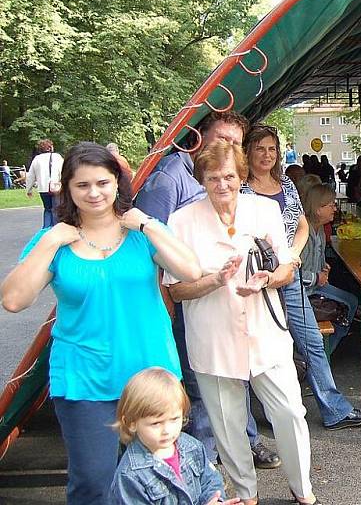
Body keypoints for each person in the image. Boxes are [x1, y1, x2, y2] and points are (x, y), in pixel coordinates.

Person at [1, 142, 202, 504]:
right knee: (95, 482)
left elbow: (190, 270)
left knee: (157, 478)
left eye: (102, 183)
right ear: (68, 189)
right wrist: (49, 240)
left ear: (116, 183)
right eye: (82, 185)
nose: (94, 193)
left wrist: (149, 225)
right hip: (84, 381)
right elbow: (14, 300)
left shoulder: (141, 233)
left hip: (149, 377)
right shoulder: (55, 242)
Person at [163, 141, 316, 505]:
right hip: (213, 337)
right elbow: (177, 289)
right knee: (228, 426)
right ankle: (247, 495)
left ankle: (303, 489)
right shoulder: (182, 221)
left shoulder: (264, 209)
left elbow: (285, 266)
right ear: (201, 179)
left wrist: (268, 278)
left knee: (290, 411)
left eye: (229, 176)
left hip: (265, 332)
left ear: (241, 175)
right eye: (213, 177)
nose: (222, 185)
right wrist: (214, 280)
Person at [134, 111, 280, 472]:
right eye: (221, 139)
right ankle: (206, 465)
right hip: (188, 297)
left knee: (236, 373)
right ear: (199, 137)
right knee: (204, 387)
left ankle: (243, 446)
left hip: (231, 297)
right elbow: (149, 248)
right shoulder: (170, 179)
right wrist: (166, 304)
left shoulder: (216, 176)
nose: (227, 147)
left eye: (234, 142)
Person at [242, 126, 361, 431]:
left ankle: (335, 409)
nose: (266, 155)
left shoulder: (285, 184)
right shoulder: (240, 189)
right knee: (256, 349)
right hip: (256, 280)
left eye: (272, 149)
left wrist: (290, 258)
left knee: (312, 342)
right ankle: (254, 421)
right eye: (259, 148)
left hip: (289, 275)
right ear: (247, 152)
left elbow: (301, 225)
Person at [108, 368, 239, 505]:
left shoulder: (192, 446)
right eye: (156, 423)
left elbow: (210, 480)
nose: (166, 430)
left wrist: (214, 500)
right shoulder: (130, 475)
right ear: (131, 423)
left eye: (174, 419)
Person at [300, 184, 361, 355]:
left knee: (351, 301)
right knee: (349, 304)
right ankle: (324, 354)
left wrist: (323, 268)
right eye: (331, 205)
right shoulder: (304, 234)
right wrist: (317, 277)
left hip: (316, 286)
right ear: (318, 209)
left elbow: (315, 262)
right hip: (304, 292)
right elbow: (294, 273)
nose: (335, 208)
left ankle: (329, 347)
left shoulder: (318, 230)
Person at [25, 138, 63, 227]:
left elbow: (30, 176)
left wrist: (29, 189)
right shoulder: (57, 157)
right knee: (56, 210)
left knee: (47, 209)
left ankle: (45, 230)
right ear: (50, 147)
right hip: (55, 187)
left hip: (42, 189)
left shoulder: (36, 159)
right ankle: (55, 231)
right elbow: (63, 171)